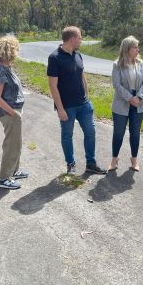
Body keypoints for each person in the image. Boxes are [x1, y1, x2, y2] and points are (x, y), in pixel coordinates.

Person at [47, 26, 106, 175]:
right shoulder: (54, 57)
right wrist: (60, 109)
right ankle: (71, 164)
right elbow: (53, 86)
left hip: (84, 104)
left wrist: (88, 97)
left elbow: (82, 75)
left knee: (90, 132)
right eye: (80, 37)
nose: (81, 40)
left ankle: (91, 164)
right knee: (67, 136)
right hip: (67, 107)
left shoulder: (78, 55)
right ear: (73, 39)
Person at [0, 36, 29, 190]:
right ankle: (4, 178)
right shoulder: (0, 70)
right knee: (11, 145)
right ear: (10, 51)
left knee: (17, 143)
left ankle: (14, 170)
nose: (17, 52)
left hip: (13, 111)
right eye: (16, 49)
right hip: (9, 113)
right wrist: (13, 113)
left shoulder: (7, 67)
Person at [107, 36, 143, 172]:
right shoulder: (117, 64)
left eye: (138, 47)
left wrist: (139, 97)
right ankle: (114, 159)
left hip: (138, 103)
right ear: (127, 49)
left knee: (135, 133)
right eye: (135, 47)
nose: (138, 49)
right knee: (118, 133)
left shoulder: (141, 63)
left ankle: (134, 159)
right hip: (122, 103)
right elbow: (117, 85)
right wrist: (130, 98)